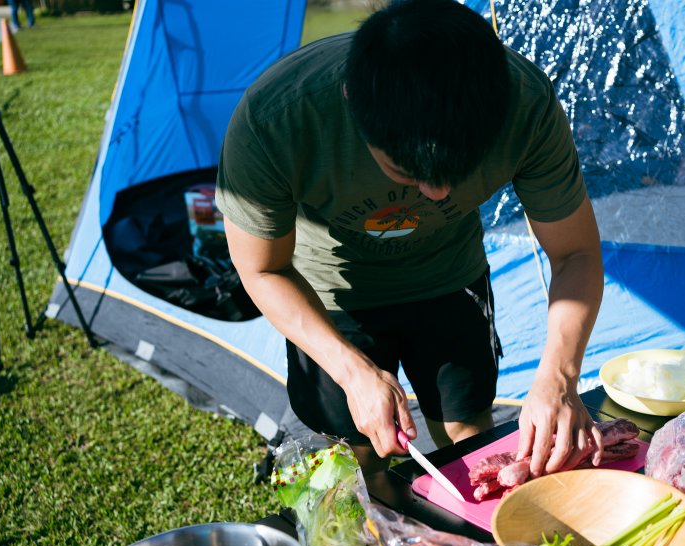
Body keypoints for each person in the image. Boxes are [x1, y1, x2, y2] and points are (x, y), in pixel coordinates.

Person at [216, 0, 604, 476]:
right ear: (350, 103)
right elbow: (261, 267)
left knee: (469, 439)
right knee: (358, 456)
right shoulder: (274, 122)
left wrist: (559, 377)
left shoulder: (525, 104)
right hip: (330, 292)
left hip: (450, 274)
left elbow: (576, 253)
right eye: (405, 171)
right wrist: (351, 371)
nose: (438, 192)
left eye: (458, 170)